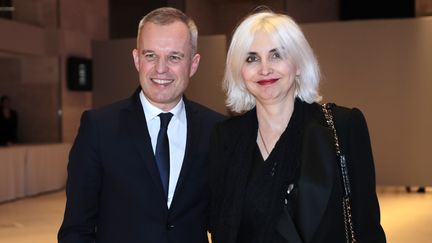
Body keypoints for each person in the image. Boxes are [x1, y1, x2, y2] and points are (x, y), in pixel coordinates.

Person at [208, 9, 386, 243]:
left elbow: (367, 227)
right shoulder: (226, 137)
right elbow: (218, 224)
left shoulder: (343, 127)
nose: (264, 69)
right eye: (251, 58)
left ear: (299, 64)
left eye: (276, 55)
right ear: (240, 72)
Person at [58, 7, 224, 243]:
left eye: (174, 57)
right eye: (150, 55)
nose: (160, 68)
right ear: (137, 59)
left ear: (194, 64)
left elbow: (224, 223)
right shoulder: (99, 128)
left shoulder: (217, 130)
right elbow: (76, 229)